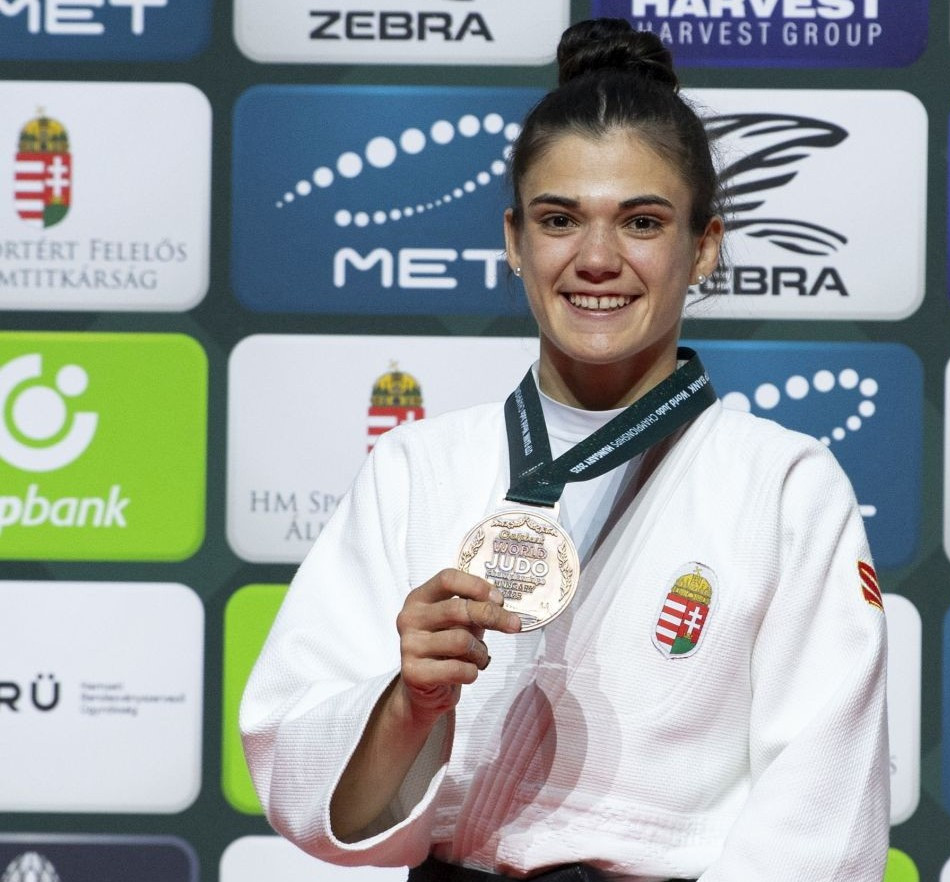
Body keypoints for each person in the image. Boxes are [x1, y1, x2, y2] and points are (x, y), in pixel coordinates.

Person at [240, 18, 889, 882]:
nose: (596, 259)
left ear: (703, 247)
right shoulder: (417, 470)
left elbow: (820, 824)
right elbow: (305, 789)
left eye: (642, 222)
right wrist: (407, 704)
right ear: (515, 241)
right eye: (560, 219)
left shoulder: (783, 487)